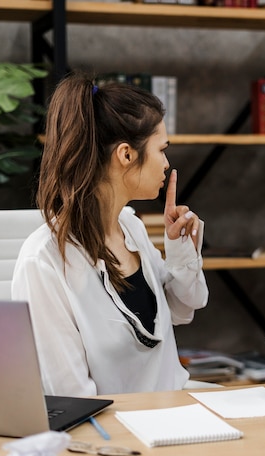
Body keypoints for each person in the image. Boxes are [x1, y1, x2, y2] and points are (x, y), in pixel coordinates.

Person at [11, 74, 209, 397]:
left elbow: (182, 310)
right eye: (161, 150)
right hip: (115, 436)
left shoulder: (131, 227)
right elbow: (71, 396)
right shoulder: (43, 262)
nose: (167, 163)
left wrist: (180, 250)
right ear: (126, 155)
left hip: (176, 414)